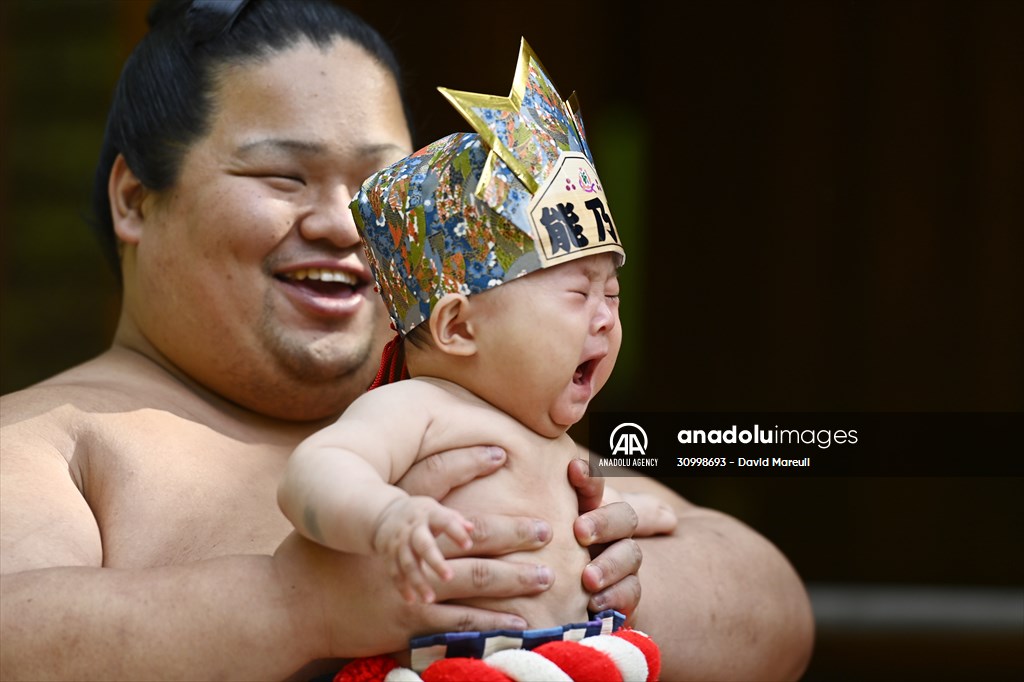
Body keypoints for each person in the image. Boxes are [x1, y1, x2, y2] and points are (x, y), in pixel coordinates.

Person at [0, 1, 814, 680]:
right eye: (284, 177)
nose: (344, 224)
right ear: (136, 199)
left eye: (378, 191)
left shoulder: (496, 411)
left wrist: (595, 585)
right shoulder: (53, 439)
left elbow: (775, 610)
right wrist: (296, 608)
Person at [279, 47, 652, 674]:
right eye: (577, 293)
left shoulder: (557, 440)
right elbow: (314, 472)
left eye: (611, 294)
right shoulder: (418, 408)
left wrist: (625, 535)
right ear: (457, 325)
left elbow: (639, 519)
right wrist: (386, 517)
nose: (605, 317)